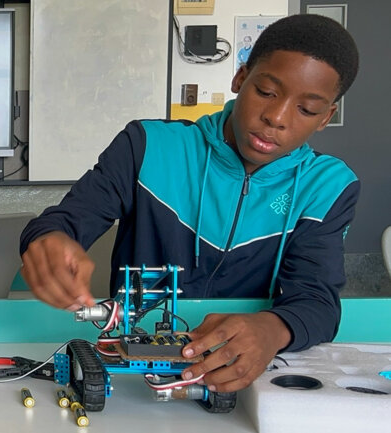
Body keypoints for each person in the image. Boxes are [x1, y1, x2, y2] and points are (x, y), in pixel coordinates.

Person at [20, 14, 359, 393]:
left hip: (240, 379)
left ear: (326, 117)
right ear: (240, 78)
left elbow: (317, 303)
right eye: (265, 91)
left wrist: (271, 328)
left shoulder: (327, 186)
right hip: (135, 380)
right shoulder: (147, 147)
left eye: (307, 110)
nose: (276, 118)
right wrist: (49, 241)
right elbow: (62, 222)